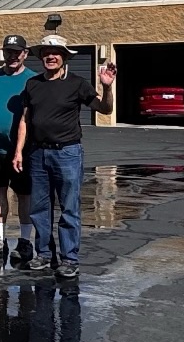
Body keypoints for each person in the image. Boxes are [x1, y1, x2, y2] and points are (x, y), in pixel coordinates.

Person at [13, 35, 116, 279]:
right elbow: (25, 120)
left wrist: (107, 87)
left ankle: (69, 258)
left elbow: (105, 109)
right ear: (41, 57)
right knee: (39, 207)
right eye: (47, 52)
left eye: (56, 52)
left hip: (67, 152)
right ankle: (45, 254)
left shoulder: (77, 83)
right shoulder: (32, 84)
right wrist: (19, 150)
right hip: (37, 152)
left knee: (69, 208)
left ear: (64, 57)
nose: (51, 56)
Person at [0, 35, 37, 262]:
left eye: (17, 52)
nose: (12, 56)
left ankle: (24, 241)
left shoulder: (33, 80)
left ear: (25, 53)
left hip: (22, 151)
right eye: (8, 51)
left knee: (24, 195)